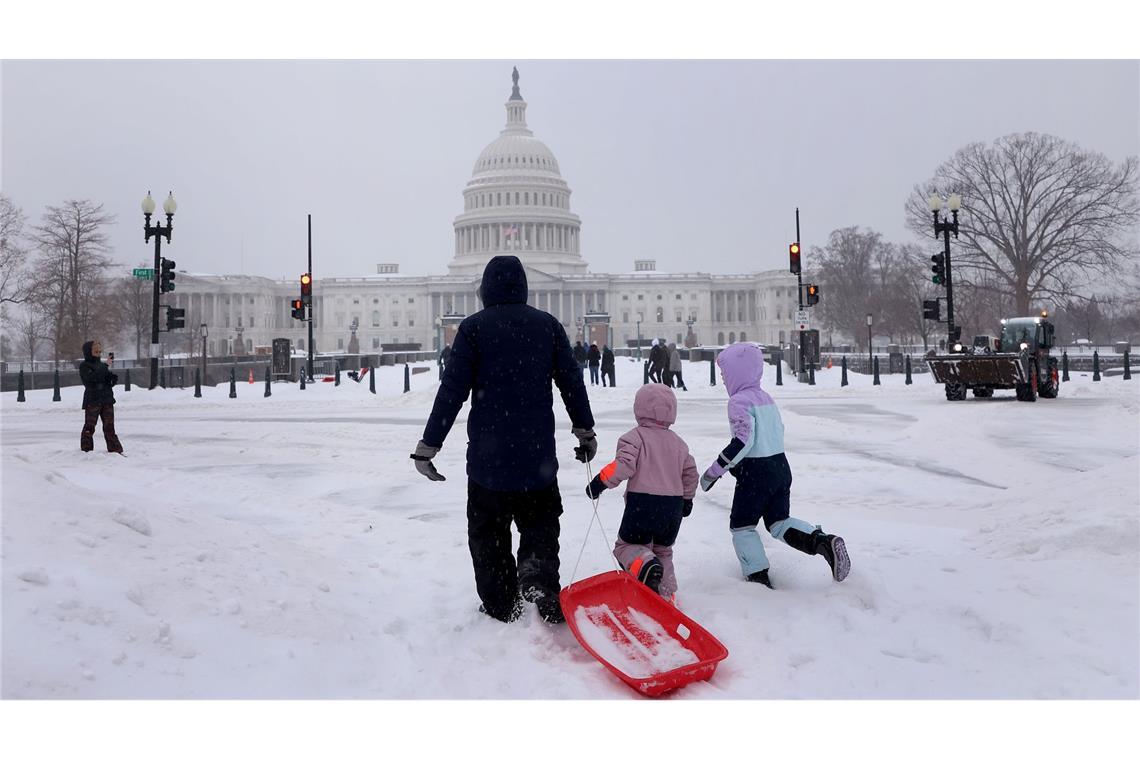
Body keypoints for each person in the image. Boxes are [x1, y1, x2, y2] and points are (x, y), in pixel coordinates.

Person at [410, 255, 597, 625]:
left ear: (485, 290)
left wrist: (428, 446)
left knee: (488, 534)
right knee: (541, 524)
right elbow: (571, 383)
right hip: (537, 457)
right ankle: (538, 576)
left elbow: (451, 393)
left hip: (487, 461)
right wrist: (585, 430)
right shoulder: (548, 326)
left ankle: (500, 602)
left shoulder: (474, 329)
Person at [700, 342, 849, 588]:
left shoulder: (739, 401)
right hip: (780, 467)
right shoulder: (766, 398)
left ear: (737, 373)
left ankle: (758, 578)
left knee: (742, 526)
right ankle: (822, 542)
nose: (725, 381)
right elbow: (777, 430)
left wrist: (715, 471)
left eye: (725, 375)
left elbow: (743, 440)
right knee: (779, 522)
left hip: (755, 474)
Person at [586, 384, 698, 603]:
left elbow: (624, 465)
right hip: (673, 507)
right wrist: (687, 499)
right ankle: (665, 596)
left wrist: (600, 482)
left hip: (643, 504)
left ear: (639, 409)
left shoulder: (634, 437)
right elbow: (690, 473)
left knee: (627, 547)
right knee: (664, 551)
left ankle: (646, 564)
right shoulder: (679, 444)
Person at [79, 340, 123, 454]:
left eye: (100, 351)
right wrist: (105, 366)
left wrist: (112, 379)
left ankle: (115, 449)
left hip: (106, 399)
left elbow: (104, 378)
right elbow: (91, 379)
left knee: (109, 426)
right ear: (89, 352)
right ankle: (86, 450)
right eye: (96, 351)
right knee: (90, 426)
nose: (98, 353)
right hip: (93, 400)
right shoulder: (85, 366)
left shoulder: (101, 365)